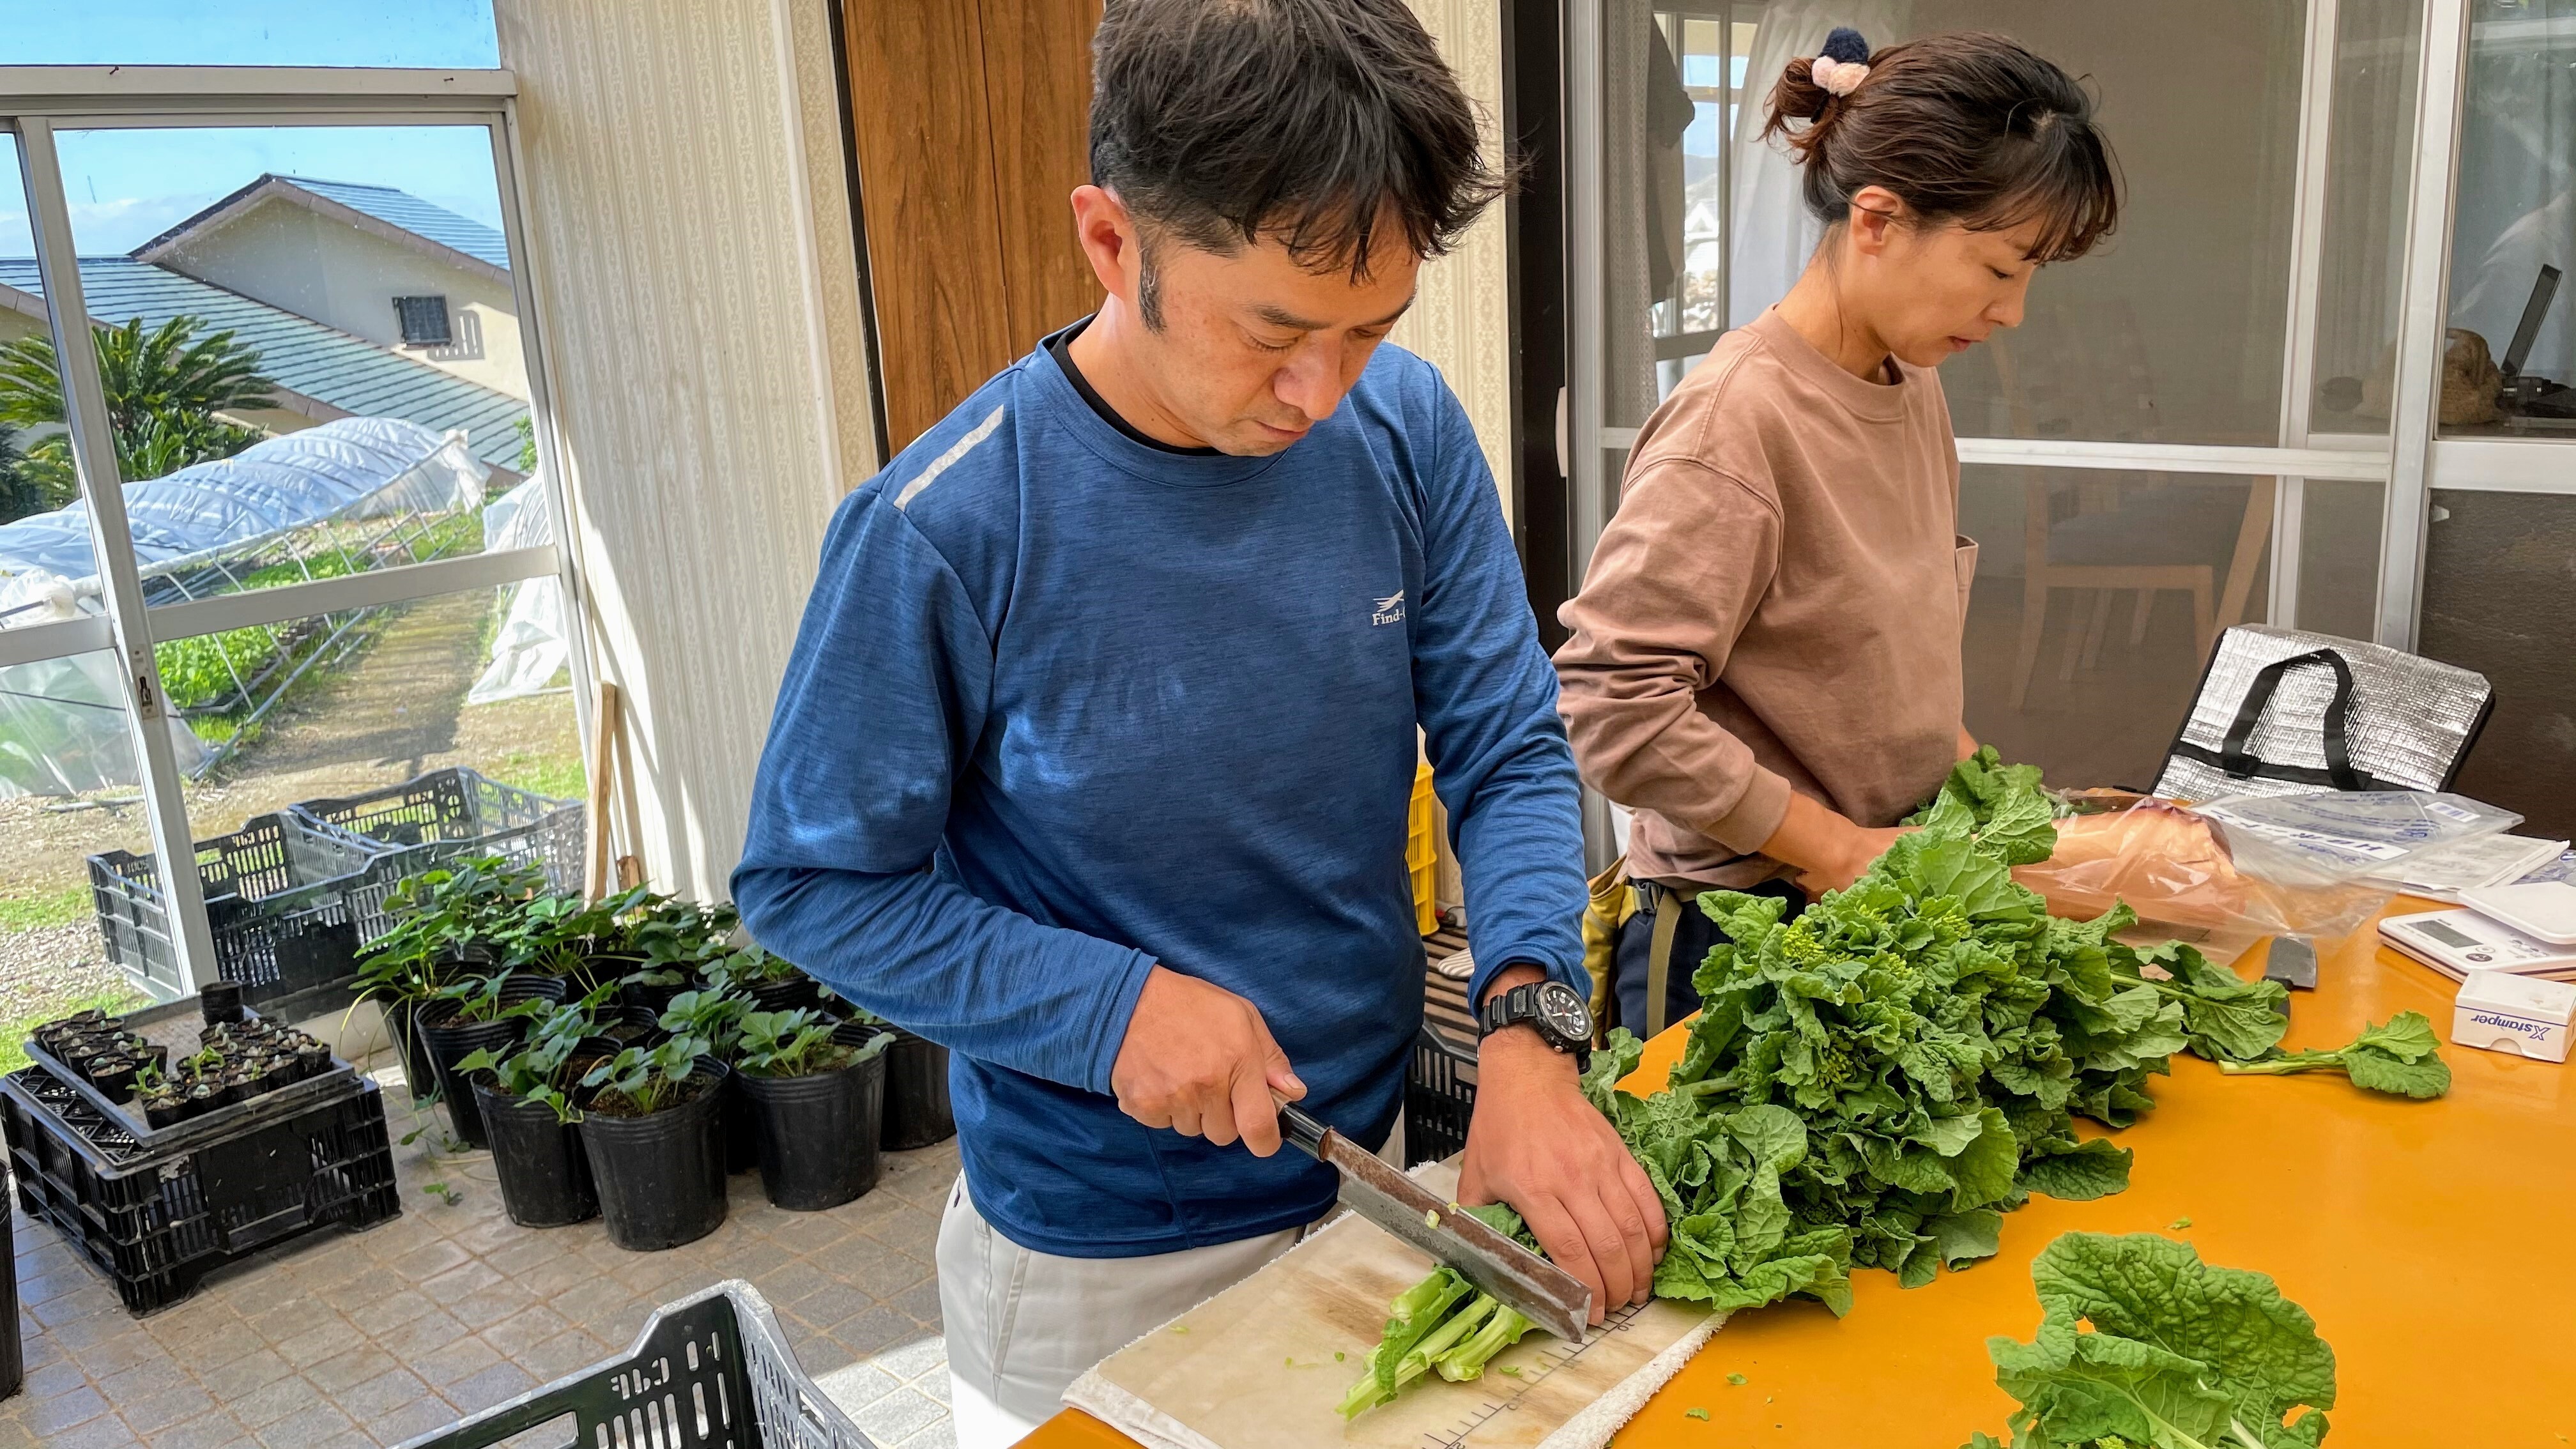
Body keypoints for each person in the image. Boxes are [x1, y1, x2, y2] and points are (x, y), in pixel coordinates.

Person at [732, 3, 1664, 1442]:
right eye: (1275, 331)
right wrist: (1109, 1010)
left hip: (1377, 1167)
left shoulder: (1405, 429)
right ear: (1115, 244)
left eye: (1371, 330)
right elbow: (807, 885)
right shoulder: (947, 526)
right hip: (1099, 1244)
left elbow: (1507, 746)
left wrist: (1532, 1037)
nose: (1320, 391)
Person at [1553, 28, 2122, 1038]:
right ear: (1878, 219)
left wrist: (1998, 820)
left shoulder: (1912, 384)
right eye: (1998, 269)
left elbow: (1880, 665)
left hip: (1879, 897)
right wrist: (1831, 849)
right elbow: (1613, 706)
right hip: (1739, 936)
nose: (2016, 312)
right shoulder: (1736, 420)